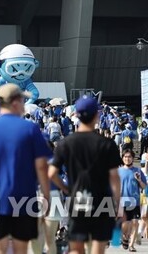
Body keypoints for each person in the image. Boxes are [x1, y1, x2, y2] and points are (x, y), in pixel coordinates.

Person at [0, 84, 52, 254]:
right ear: (15, 102)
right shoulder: (30, 129)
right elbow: (41, 167)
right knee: (20, 248)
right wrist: (46, 195)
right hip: (24, 198)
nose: (24, 104)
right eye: (23, 100)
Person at [49, 95, 122, 254]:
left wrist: (67, 189)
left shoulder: (65, 143)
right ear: (96, 115)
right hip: (103, 200)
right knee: (98, 247)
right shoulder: (107, 144)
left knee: (76, 247)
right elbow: (114, 177)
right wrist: (117, 202)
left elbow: (52, 173)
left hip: (78, 198)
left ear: (76, 115)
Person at [118, 149, 146, 251]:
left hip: (135, 201)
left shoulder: (138, 171)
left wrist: (139, 180)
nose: (127, 159)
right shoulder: (118, 171)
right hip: (122, 201)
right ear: (122, 158)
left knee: (135, 222)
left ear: (133, 158)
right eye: (125, 157)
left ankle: (131, 245)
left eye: (129, 157)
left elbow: (144, 186)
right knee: (124, 224)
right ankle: (124, 238)